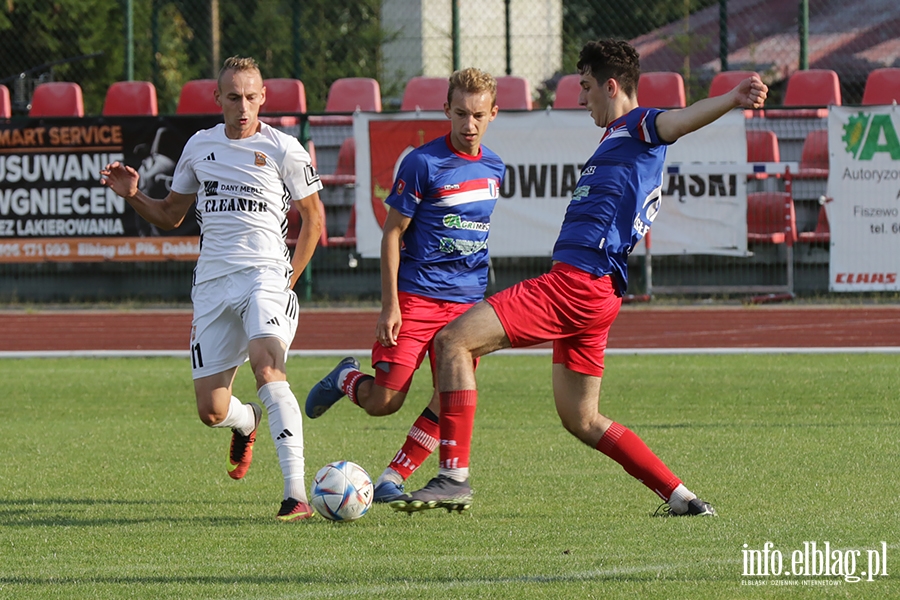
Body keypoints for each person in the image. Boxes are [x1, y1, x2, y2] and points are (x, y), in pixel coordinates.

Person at [391, 39, 769, 515]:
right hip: (599, 292)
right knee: (582, 418)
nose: (580, 97)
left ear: (611, 86)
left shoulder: (638, 126)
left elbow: (678, 120)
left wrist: (732, 100)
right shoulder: (617, 137)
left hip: (577, 283)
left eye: (586, 86)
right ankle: (682, 497)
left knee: (452, 342)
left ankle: (453, 477)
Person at [100, 56, 323, 522]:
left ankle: (295, 494)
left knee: (268, 368)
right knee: (211, 410)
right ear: (218, 98)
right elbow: (170, 215)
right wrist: (134, 196)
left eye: (251, 96)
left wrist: (288, 279)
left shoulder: (284, 148)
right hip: (213, 286)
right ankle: (247, 423)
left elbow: (314, 219)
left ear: (263, 97)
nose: (243, 106)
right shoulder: (199, 146)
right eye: (234, 97)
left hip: (265, 274)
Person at [303, 67, 505, 503]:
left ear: (493, 113)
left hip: (468, 303)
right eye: (460, 114)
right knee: (385, 401)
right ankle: (346, 379)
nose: (468, 125)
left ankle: (392, 478)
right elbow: (392, 232)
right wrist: (389, 306)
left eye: (478, 115)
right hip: (417, 296)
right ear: (446, 110)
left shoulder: (494, 168)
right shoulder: (422, 163)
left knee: (450, 394)